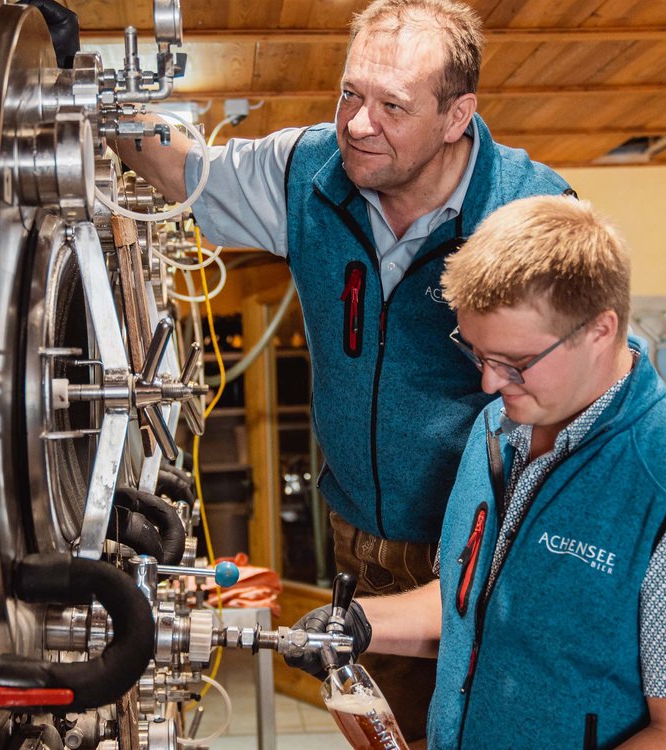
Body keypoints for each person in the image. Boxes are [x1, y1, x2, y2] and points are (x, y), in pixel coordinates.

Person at [113, 1, 573, 738]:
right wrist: (100, 103)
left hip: (487, 551)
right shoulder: (307, 175)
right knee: (389, 734)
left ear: (457, 116)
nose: (359, 124)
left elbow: (581, 400)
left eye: (392, 105)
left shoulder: (528, 211)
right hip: (361, 542)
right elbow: (188, 168)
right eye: (351, 94)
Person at [289, 195, 666, 749]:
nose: (489, 383)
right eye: (476, 353)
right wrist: (361, 624)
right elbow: (474, 606)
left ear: (600, 330)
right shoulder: (496, 427)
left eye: (515, 363)